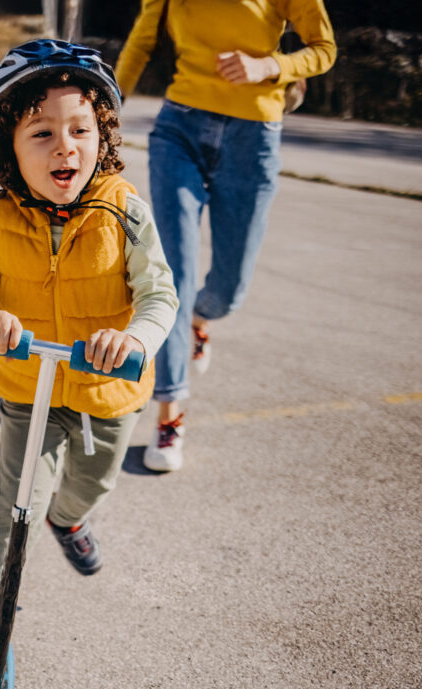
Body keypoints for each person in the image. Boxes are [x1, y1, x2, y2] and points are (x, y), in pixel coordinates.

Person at [0, 40, 179, 689]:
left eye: (81, 129)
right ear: (6, 149)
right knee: (15, 503)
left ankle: (69, 518)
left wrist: (135, 341)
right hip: (29, 388)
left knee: (89, 486)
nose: (64, 147)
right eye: (41, 132)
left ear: (103, 137)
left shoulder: (125, 210)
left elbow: (159, 293)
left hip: (110, 388)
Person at [115, 0, 336, 472]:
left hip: (252, 137)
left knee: (229, 291)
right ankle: (170, 411)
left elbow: (323, 49)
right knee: (172, 273)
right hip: (180, 127)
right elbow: (141, 41)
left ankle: (203, 317)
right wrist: (106, 107)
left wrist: (271, 65)